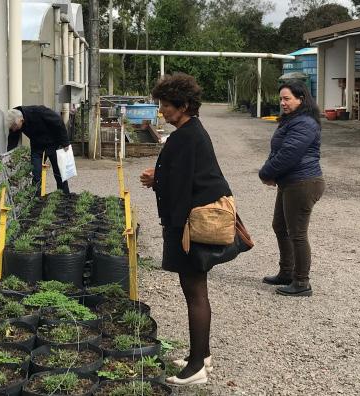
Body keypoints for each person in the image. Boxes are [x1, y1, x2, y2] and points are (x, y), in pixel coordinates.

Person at [140, 73, 232, 386]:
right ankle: (202, 354)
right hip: (195, 219)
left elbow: (180, 190)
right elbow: (186, 177)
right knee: (196, 290)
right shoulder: (191, 131)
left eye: (166, 105)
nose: (162, 111)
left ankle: (195, 368)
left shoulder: (184, 136)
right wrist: (159, 179)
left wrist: (175, 231)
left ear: (184, 105)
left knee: (194, 293)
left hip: (191, 227)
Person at [259, 80, 325, 297]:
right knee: (279, 225)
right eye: (281, 99)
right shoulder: (292, 120)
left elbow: (290, 153)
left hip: (303, 183)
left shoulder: (305, 122)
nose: (282, 103)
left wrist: (266, 173)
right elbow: (278, 150)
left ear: (301, 99)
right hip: (291, 182)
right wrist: (272, 172)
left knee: (297, 233)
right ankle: (287, 272)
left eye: (287, 98)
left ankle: (302, 282)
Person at [6, 106, 70, 194]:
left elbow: (58, 122)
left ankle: (64, 194)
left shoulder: (38, 112)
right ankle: (36, 198)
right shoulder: (14, 120)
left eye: (15, 126)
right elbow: (12, 140)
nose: (14, 129)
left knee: (58, 171)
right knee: (36, 173)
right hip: (37, 146)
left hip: (53, 142)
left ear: (21, 120)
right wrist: (9, 155)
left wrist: (65, 142)